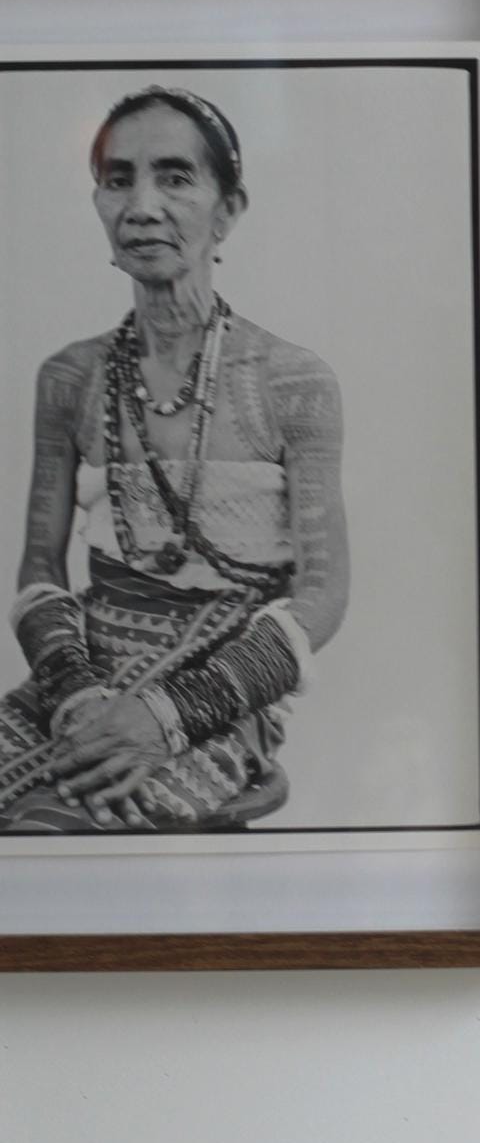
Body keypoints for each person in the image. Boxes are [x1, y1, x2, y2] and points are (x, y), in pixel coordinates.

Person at [0, 87, 348, 832]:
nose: (142, 206)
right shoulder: (70, 379)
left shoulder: (292, 383)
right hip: (80, 681)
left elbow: (322, 596)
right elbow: (39, 567)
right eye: (118, 179)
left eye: (175, 177)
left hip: (219, 694)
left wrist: (171, 715)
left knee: (54, 829)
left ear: (228, 210)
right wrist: (75, 695)